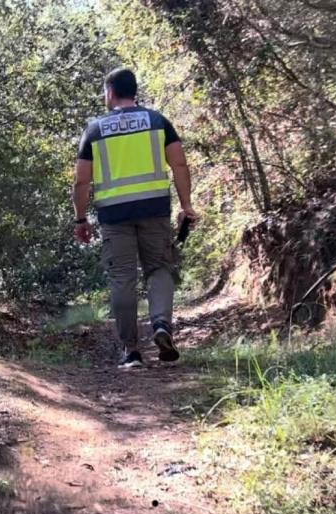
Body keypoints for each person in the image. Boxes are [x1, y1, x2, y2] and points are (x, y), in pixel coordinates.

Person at [71, 68, 197, 369]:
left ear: (110, 92)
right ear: (134, 91)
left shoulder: (95, 130)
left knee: (122, 278)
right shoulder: (157, 121)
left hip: (114, 215)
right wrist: (186, 205)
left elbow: (81, 181)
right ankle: (161, 324)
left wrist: (80, 219)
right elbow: (179, 164)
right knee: (159, 268)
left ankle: (131, 351)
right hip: (154, 209)